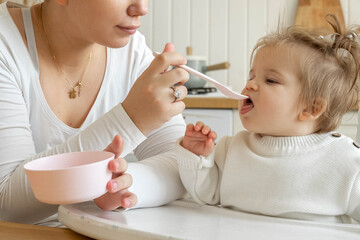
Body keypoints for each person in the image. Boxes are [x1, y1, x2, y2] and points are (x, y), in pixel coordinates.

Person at [0, 0, 188, 226]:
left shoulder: (132, 53)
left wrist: (116, 185)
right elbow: (7, 205)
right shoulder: (5, 46)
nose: (142, 8)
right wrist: (131, 120)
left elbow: (184, 165)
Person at [175, 15, 360, 224]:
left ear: (311, 108)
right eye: (251, 77)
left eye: (270, 80)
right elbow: (205, 196)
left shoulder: (344, 161)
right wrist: (195, 158)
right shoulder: (231, 149)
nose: (250, 85)